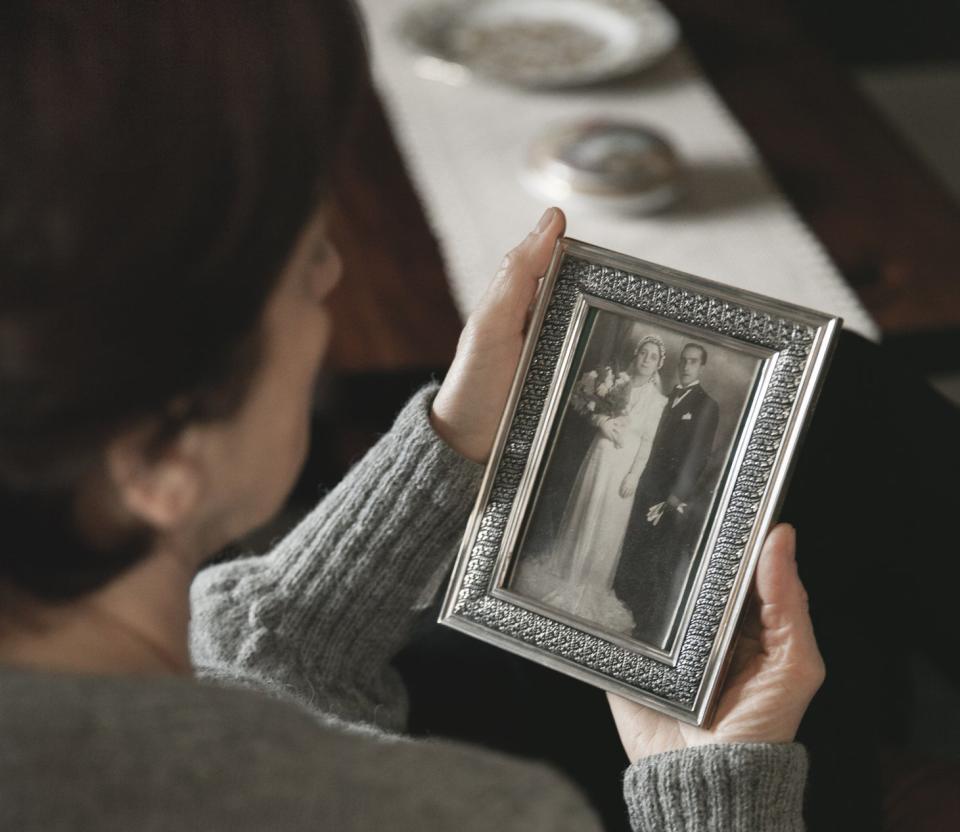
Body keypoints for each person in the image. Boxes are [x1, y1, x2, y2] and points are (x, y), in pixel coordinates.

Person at [0, 3, 824, 830]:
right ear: (157, 458)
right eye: (299, 269)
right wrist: (721, 804)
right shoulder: (474, 814)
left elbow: (243, 673)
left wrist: (456, 439)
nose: (330, 275)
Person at [514, 335, 667, 633]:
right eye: (643, 353)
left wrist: (634, 474)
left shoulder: (658, 401)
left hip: (622, 466)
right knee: (585, 511)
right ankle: (567, 572)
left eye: (653, 356)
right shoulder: (618, 382)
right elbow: (591, 405)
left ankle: (589, 583)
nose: (646, 360)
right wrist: (601, 423)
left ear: (659, 364)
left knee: (607, 523)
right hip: (598, 454)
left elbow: (647, 443)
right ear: (635, 355)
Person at [615, 343, 720, 646]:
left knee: (657, 559)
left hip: (667, 497)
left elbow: (698, 455)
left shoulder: (706, 404)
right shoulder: (666, 398)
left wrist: (674, 498)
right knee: (633, 547)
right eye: (683, 361)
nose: (687, 366)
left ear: (701, 367)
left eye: (693, 362)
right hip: (645, 485)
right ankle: (626, 613)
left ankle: (647, 630)